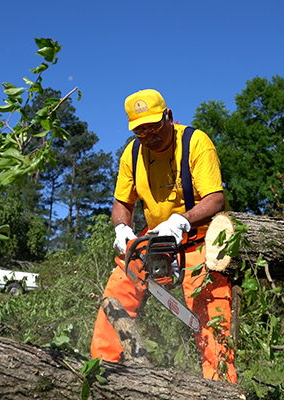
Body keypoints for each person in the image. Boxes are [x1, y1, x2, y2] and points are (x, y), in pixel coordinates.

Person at [90, 89, 236, 383]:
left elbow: (215, 199)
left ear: (168, 116)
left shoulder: (195, 143)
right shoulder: (133, 153)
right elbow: (122, 203)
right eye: (141, 131)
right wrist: (121, 228)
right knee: (117, 291)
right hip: (156, 238)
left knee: (212, 322)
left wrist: (182, 221)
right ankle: (102, 372)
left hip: (201, 238)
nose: (149, 136)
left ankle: (220, 387)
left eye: (154, 127)